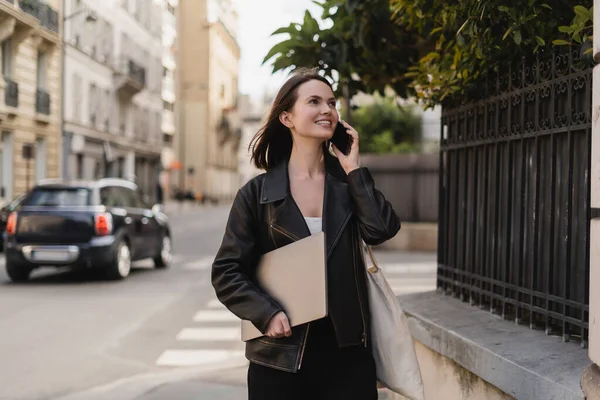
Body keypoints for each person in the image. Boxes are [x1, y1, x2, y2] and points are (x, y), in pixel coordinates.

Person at [211, 68, 401, 399]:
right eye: (313, 101)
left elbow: (381, 229)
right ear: (287, 117)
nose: (327, 110)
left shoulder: (347, 185)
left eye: (331, 103)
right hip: (280, 357)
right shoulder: (257, 194)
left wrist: (353, 169)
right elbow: (227, 272)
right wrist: (266, 313)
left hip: (348, 355)